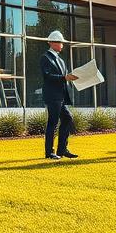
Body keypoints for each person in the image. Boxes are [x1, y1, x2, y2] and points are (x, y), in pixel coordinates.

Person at [40, 30, 79, 160]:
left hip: (61, 96)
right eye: (60, 42)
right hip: (52, 96)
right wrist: (64, 77)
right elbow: (47, 76)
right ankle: (49, 152)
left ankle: (62, 149)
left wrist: (70, 78)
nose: (62, 44)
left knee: (67, 118)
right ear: (52, 43)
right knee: (53, 122)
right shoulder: (45, 58)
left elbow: (64, 77)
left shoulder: (61, 60)